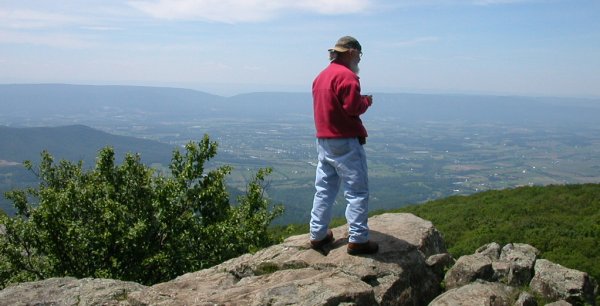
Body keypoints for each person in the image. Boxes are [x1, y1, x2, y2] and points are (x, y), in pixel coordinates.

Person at [309, 36, 378, 255]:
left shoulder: (320, 77)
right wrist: (366, 101)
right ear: (350, 52)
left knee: (324, 189)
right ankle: (357, 239)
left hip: (324, 141)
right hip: (345, 141)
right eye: (359, 54)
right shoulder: (347, 76)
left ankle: (317, 235)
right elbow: (352, 107)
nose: (359, 59)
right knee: (357, 191)